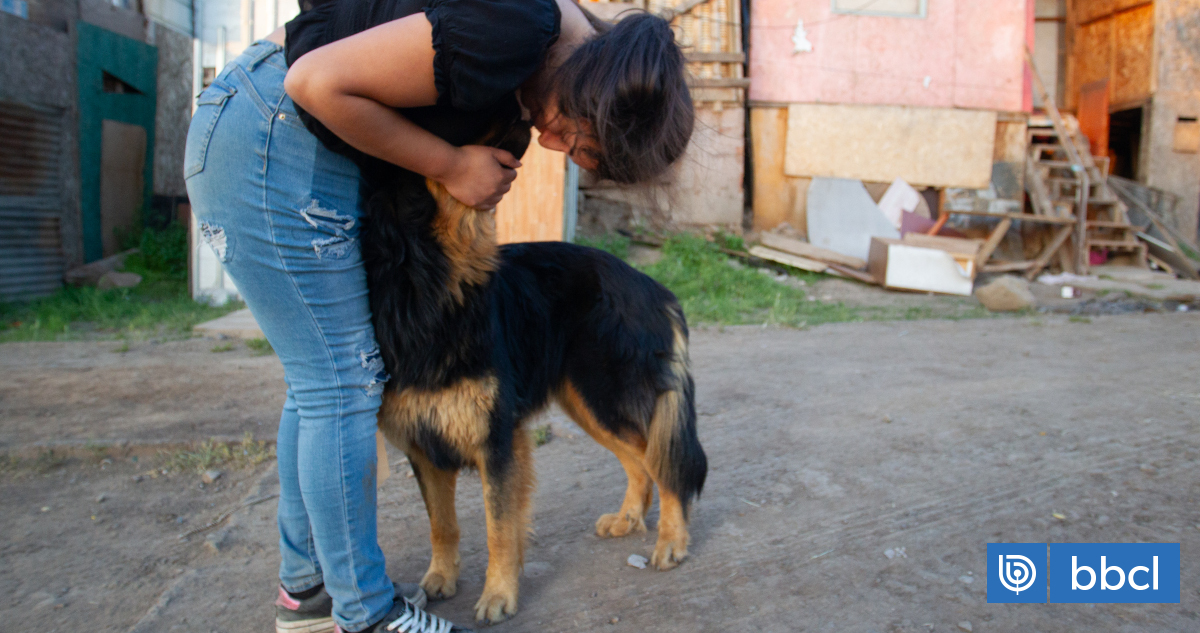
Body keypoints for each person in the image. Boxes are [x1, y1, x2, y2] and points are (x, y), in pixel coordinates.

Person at [183, 0, 694, 631]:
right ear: (596, 81)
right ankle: (365, 616)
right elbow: (313, 81)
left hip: (287, 139)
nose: (550, 144)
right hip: (273, 138)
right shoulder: (520, 23)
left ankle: (311, 591)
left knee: (322, 382)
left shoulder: (530, 47)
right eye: (575, 136)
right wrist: (449, 164)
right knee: (338, 385)